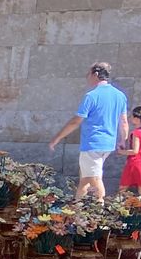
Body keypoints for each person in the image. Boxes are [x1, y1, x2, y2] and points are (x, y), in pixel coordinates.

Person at [48, 61, 128, 199]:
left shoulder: (91, 96)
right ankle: (78, 208)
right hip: (108, 143)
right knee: (85, 178)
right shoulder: (120, 95)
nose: (87, 77)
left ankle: (100, 210)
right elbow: (124, 121)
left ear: (95, 74)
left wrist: (57, 138)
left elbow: (76, 121)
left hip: (93, 142)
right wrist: (122, 140)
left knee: (94, 179)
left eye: (88, 73)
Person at [119, 106, 141, 188]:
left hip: (134, 163)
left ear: (137, 119)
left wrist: (121, 151)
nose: (130, 117)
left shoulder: (137, 132)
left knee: (123, 189)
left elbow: (135, 151)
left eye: (132, 116)